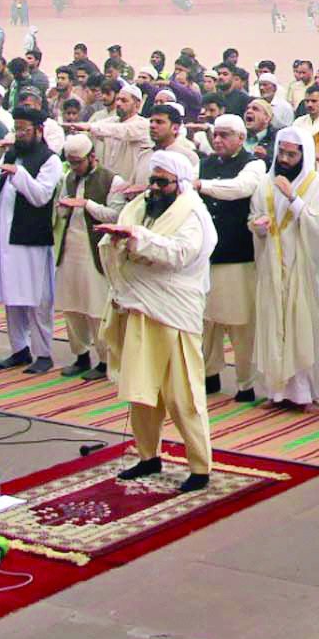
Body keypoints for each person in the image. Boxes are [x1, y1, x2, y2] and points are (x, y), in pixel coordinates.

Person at [95, 151, 216, 490]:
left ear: (179, 183)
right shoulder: (140, 206)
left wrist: (136, 238)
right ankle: (148, 456)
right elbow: (118, 236)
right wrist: (121, 237)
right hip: (139, 308)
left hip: (174, 313)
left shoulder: (194, 214)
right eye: (153, 180)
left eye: (163, 182)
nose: (155, 188)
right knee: (141, 388)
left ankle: (200, 466)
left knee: (182, 395)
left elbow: (179, 254)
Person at [249, 128, 319, 409]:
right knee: (274, 324)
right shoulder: (265, 183)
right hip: (272, 266)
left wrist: (294, 199)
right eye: (282, 152)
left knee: (301, 327)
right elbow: (255, 216)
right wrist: (258, 227)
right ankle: (277, 392)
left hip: (304, 270)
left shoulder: (318, 186)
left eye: (291, 154)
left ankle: (302, 393)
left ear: (303, 155)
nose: (285, 159)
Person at [194, 113, 265, 400]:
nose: (218, 140)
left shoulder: (253, 164)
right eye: (216, 134)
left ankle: (245, 383)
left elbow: (241, 189)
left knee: (240, 323)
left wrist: (202, 186)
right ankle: (208, 374)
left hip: (238, 256)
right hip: (207, 256)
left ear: (241, 138)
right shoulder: (206, 162)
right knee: (205, 322)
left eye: (225, 135)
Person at [0, 105, 63, 373]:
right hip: (6, 238)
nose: (19, 135)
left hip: (31, 238)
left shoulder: (49, 160)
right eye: (16, 129)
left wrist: (18, 174)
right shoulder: (12, 155)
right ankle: (19, 349)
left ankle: (43, 353)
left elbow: (41, 196)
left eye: (24, 130)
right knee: (12, 294)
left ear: (39, 131)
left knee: (37, 298)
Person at [52, 132, 117, 381]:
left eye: (79, 162)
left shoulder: (111, 179)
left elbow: (116, 215)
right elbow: (59, 209)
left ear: (92, 157)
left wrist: (87, 204)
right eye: (72, 162)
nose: (75, 167)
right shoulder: (68, 176)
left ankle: (104, 361)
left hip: (94, 252)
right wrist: (63, 207)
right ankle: (80, 356)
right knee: (71, 306)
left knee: (95, 307)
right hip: (70, 248)